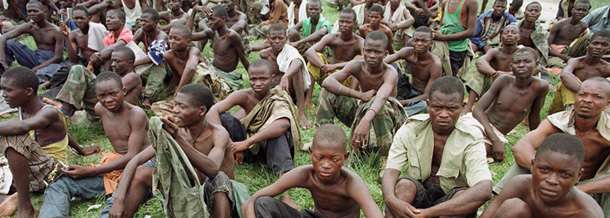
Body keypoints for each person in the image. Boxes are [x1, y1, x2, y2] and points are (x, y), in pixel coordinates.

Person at [109, 84, 247, 218]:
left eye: (182, 106)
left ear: (201, 111)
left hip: (218, 196)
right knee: (140, 172)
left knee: (220, 179)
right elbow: (136, 160)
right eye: (175, 104)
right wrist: (118, 201)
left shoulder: (218, 133)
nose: (175, 110)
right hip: (188, 190)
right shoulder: (176, 130)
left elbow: (212, 171)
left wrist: (178, 139)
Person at [38, 71, 149, 218]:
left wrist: (90, 171)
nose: (108, 100)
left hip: (139, 166)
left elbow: (132, 156)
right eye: (102, 96)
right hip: (117, 165)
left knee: (116, 206)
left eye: (113, 94)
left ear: (123, 91)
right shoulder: (100, 109)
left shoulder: (136, 115)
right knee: (61, 182)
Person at [493, 77, 610, 217]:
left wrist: (578, 189)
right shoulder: (558, 121)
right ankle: (497, 204)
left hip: (588, 188)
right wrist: (544, 171)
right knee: (525, 164)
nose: (587, 100)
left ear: (607, 104)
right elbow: (521, 146)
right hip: (548, 182)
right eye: (583, 94)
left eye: (596, 97)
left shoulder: (607, 131)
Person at [382, 76, 492, 218]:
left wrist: (428, 214)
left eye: (451, 108)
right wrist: (391, 200)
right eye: (437, 107)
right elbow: (390, 171)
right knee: (404, 187)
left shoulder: (471, 137)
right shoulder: (411, 129)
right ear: (428, 105)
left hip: (448, 203)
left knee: (462, 196)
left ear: (463, 107)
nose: (443, 115)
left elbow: (484, 189)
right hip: (417, 200)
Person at [207, 59, 302, 208]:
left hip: (268, 148)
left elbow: (283, 123)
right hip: (246, 146)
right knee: (225, 119)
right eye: (253, 79)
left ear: (272, 78)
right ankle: (231, 155)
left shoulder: (278, 97)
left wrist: (246, 143)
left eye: (263, 79)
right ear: (248, 78)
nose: (258, 83)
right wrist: (228, 141)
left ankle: (285, 195)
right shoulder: (243, 95)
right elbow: (212, 111)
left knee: (278, 135)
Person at [240, 124, 384, 218]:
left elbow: (374, 214)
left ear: (345, 157)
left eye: (335, 159)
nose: (326, 165)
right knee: (263, 203)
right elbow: (251, 202)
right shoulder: (305, 174)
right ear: (311, 153)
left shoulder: (351, 183)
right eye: (320, 158)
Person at [315, 31, 407, 156]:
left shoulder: (390, 72)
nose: (372, 55)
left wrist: (365, 121)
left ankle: (384, 156)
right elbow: (328, 82)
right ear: (363, 51)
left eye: (377, 52)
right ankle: (324, 140)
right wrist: (358, 95)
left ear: (385, 54)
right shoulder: (356, 65)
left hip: (387, 117)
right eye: (368, 51)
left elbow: (382, 96)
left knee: (380, 103)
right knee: (328, 92)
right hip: (363, 109)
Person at [480, 133, 604, 218]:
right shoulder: (520, 185)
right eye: (545, 170)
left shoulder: (587, 212)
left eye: (565, 174)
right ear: (533, 166)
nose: (552, 180)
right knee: (513, 208)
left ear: (578, 176)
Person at [0, 67, 69, 218]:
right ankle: (10, 197)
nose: (3, 95)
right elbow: (65, 134)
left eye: (7, 90)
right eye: (2, 90)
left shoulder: (49, 112)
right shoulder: (22, 109)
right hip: (32, 167)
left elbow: (24, 127)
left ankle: (26, 207)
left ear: (28, 91)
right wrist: (81, 150)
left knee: (12, 135)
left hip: (53, 172)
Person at [473, 47, 549, 162]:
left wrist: (536, 145)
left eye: (527, 61)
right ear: (511, 66)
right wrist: (495, 140)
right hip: (481, 124)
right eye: (517, 62)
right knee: (463, 142)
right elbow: (477, 110)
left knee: (478, 152)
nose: (521, 65)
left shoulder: (540, 87)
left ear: (536, 64)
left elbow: (534, 116)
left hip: (498, 133)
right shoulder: (503, 80)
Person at [53, 47, 142, 119]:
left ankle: (64, 112)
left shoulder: (133, 76)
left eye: (117, 61)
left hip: (115, 114)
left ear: (130, 63)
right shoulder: (120, 76)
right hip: (105, 111)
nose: (113, 64)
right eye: (112, 61)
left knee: (78, 69)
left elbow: (109, 90)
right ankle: (66, 111)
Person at [260, 24, 312, 129]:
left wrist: (286, 77)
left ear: (286, 39)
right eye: (274, 38)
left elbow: (298, 61)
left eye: (281, 38)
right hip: (275, 91)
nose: (277, 41)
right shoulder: (265, 55)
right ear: (268, 39)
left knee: (296, 71)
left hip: (292, 91)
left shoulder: (290, 51)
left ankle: (301, 114)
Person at [163, 24, 235, 100]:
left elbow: (191, 69)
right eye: (170, 38)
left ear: (188, 42)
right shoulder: (169, 56)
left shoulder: (193, 51)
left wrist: (178, 92)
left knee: (199, 70)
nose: (172, 41)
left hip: (211, 88)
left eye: (177, 39)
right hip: (192, 89)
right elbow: (177, 77)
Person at [0, 0, 63, 83]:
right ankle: (4, 71)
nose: (32, 14)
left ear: (44, 12)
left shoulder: (55, 31)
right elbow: (3, 37)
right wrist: (3, 62)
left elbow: (58, 57)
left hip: (50, 61)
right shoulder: (30, 26)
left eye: (35, 11)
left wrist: (36, 68)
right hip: (36, 57)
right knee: (10, 43)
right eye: (29, 11)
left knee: (53, 71)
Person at [548, 30, 610, 115]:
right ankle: (573, 118)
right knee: (568, 83)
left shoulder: (606, 68)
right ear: (588, 45)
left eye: (604, 45)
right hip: (564, 104)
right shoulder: (576, 62)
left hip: (593, 105)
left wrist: (592, 96)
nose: (599, 47)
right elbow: (565, 75)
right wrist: (585, 93)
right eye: (595, 43)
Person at [384, 26, 441, 116]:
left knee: (423, 106)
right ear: (412, 41)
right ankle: (387, 99)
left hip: (420, 96)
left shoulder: (435, 64)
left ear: (431, 43)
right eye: (416, 40)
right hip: (406, 89)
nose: (419, 44)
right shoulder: (408, 52)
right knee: (390, 67)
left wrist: (404, 102)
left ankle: (398, 115)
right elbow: (383, 62)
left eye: (423, 41)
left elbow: (427, 95)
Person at [189, 6, 248, 93]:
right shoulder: (211, 33)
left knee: (206, 88)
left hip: (227, 76)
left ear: (223, 19)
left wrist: (254, 76)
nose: (209, 23)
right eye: (208, 20)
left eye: (213, 19)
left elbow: (243, 58)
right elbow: (187, 36)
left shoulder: (232, 36)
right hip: (212, 70)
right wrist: (194, 11)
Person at [463, 24, 520, 113]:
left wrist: (506, 74)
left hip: (513, 85)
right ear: (501, 36)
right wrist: (494, 73)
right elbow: (480, 62)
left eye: (514, 33)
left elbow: (535, 69)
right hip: (494, 84)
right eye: (506, 32)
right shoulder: (495, 51)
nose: (509, 35)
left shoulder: (523, 53)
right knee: (480, 72)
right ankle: (468, 107)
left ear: (519, 37)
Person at [305, 8, 363, 89]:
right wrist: (324, 67)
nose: (344, 25)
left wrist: (335, 66)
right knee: (317, 56)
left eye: (348, 22)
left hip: (348, 77)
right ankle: (307, 100)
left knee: (358, 60)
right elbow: (309, 52)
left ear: (355, 23)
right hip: (330, 75)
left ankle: (353, 97)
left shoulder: (359, 42)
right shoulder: (332, 37)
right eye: (341, 21)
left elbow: (364, 59)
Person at [132, 8, 169, 107]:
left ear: (155, 23)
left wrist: (134, 63)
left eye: (146, 21)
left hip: (168, 67)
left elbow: (157, 56)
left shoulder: (162, 35)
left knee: (158, 64)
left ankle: (148, 97)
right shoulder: (141, 32)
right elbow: (130, 49)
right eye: (141, 21)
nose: (142, 23)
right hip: (150, 64)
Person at [433, 0, 478, 77]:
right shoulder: (445, 2)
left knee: (450, 78)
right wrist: (436, 33)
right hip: (442, 46)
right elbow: (442, 24)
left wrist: (444, 37)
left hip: (457, 49)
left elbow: (471, 32)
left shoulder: (471, 2)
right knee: (436, 74)